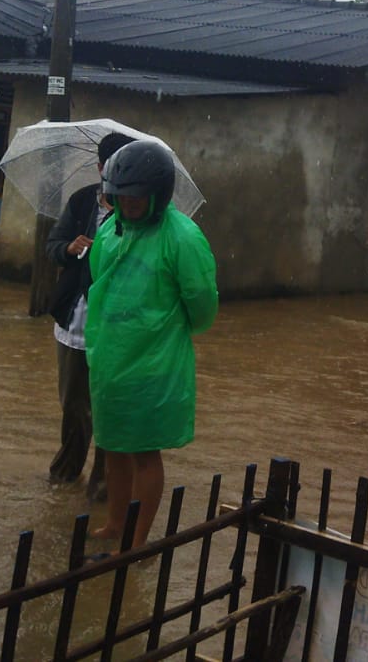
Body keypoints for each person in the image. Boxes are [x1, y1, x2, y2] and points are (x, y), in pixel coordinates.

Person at [85, 140, 217, 547]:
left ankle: (138, 540)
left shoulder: (182, 237)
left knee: (144, 453)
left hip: (153, 364)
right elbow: (99, 279)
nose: (128, 205)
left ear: (158, 195)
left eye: (136, 198)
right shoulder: (112, 228)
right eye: (120, 198)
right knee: (112, 448)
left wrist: (161, 333)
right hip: (110, 358)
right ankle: (115, 525)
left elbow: (202, 304)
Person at [45, 132, 136, 501]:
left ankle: (102, 488)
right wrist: (69, 247)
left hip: (115, 327)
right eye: (113, 169)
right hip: (75, 321)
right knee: (74, 406)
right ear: (100, 169)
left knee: (110, 409)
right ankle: (65, 474)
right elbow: (52, 245)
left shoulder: (136, 212)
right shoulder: (82, 201)